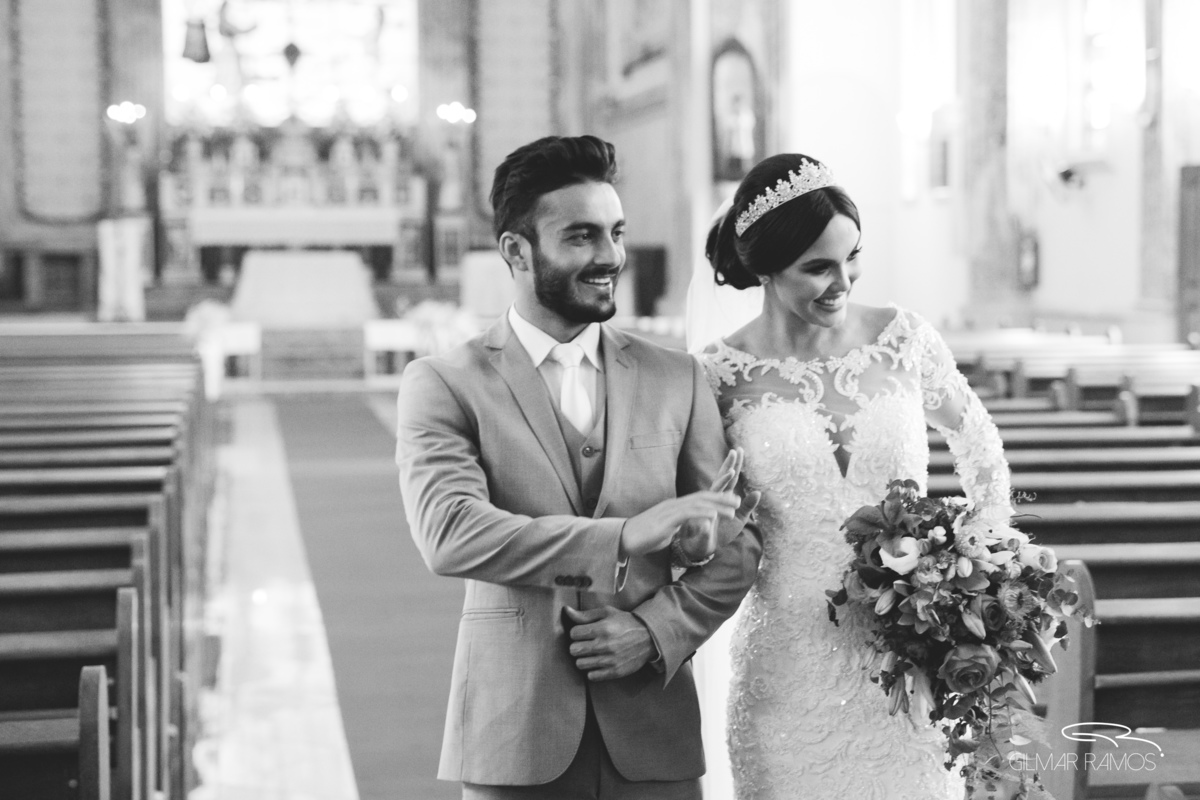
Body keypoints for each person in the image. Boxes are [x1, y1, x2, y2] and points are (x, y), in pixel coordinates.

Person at [396, 134, 763, 800]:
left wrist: (654, 630)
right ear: (516, 251)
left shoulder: (677, 377)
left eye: (616, 233)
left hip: (654, 735)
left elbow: (736, 546)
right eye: (582, 236)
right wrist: (621, 538)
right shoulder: (445, 382)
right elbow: (450, 533)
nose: (611, 256)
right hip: (516, 734)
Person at [688, 153, 1014, 799]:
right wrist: (708, 528)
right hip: (788, 665)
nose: (843, 281)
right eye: (818, 267)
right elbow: (703, 523)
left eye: (852, 257)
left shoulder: (902, 338)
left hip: (909, 654)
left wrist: (976, 566)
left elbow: (979, 445)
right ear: (766, 268)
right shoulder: (716, 377)